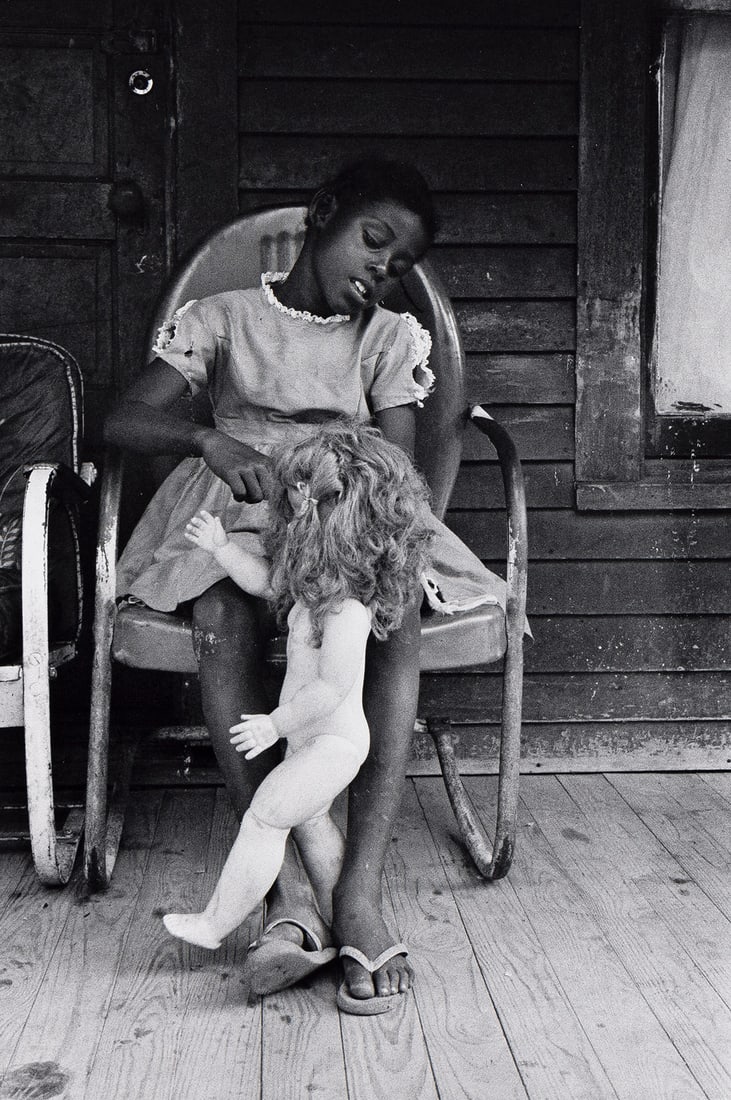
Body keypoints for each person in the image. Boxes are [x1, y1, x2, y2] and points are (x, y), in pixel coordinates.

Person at [105, 157, 499, 1009]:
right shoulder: (221, 318)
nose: (380, 270)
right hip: (238, 496)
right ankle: (284, 882)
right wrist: (209, 440)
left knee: (384, 607)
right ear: (321, 217)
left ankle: (354, 891)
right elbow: (126, 417)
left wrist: (335, 513)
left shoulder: (389, 337)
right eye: (373, 241)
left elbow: (391, 461)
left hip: (344, 501)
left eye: (398, 264)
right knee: (222, 602)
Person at [163, 422, 432, 1014]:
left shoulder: (350, 613)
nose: (292, 530)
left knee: (266, 818)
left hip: (329, 744)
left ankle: (216, 922)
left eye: (305, 518)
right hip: (308, 742)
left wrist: (275, 725)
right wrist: (222, 549)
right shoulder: (316, 590)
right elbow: (263, 581)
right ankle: (343, 917)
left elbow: (334, 689)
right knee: (312, 828)